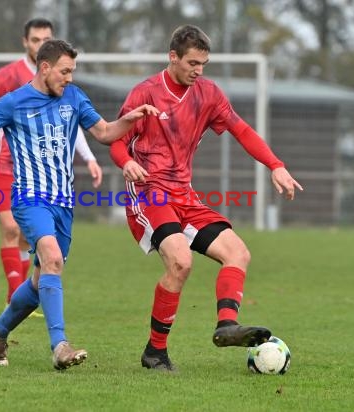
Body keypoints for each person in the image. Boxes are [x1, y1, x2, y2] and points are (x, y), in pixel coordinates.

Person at [110, 25, 303, 372]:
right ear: (173, 58)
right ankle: (156, 351)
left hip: (184, 194)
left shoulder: (208, 94)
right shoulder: (145, 93)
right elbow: (116, 138)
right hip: (149, 193)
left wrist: (275, 165)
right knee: (181, 263)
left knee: (238, 253)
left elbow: (240, 130)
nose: (199, 70)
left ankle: (226, 325)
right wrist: (126, 163)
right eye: (193, 63)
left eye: (204, 64)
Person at [0, 39, 159, 369]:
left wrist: (132, 118)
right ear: (45, 68)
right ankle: (60, 346)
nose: (69, 78)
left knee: (42, 281)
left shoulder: (75, 97)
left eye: (72, 71)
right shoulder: (14, 102)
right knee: (51, 257)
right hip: (29, 199)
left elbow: (106, 132)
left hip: (64, 204)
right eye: (65, 71)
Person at [0, 18, 103, 304]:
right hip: (4, 163)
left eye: (45, 39)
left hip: (39, 171)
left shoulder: (61, 78)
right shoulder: (8, 76)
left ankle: (21, 296)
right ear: (25, 42)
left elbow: (69, 124)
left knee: (25, 238)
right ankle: (14, 298)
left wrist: (89, 157)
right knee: (10, 228)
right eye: (35, 39)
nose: (39, 44)